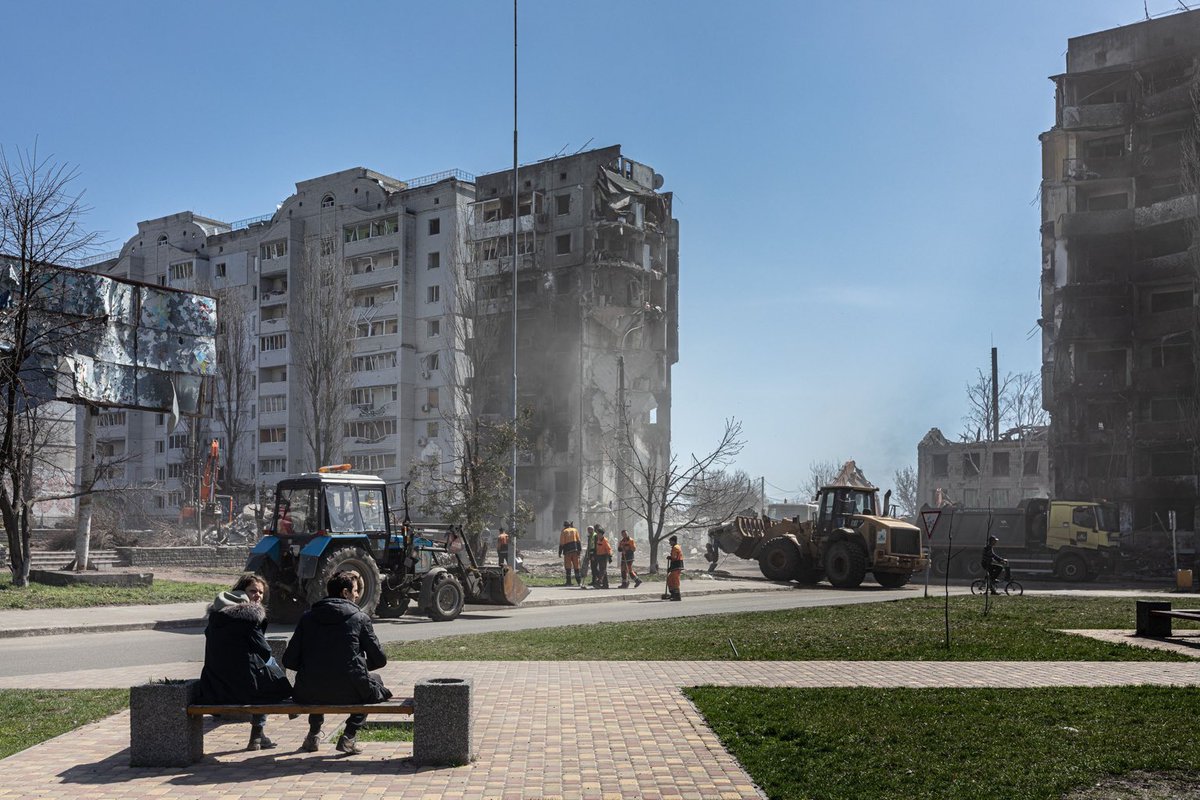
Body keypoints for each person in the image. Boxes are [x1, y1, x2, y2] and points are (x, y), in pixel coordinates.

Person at [283, 570, 392, 755]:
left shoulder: (307, 618)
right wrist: (355, 665)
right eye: (355, 591)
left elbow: (289, 660)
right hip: (350, 690)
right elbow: (379, 659)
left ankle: (313, 735)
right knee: (374, 681)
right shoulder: (359, 618)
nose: (357, 595)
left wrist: (314, 664)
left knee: (319, 678)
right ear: (345, 593)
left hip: (308, 691)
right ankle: (349, 736)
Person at [197, 574, 292, 751]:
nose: (257, 596)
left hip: (213, 687)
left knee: (261, 670)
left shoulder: (215, 617)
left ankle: (260, 734)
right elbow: (265, 651)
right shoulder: (248, 618)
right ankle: (259, 730)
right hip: (241, 689)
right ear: (241, 592)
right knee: (267, 670)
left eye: (261, 593)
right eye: (253, 591)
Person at [559, 521, 582, 586]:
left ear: (564, 526)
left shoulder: (564, 531)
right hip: (575, 551)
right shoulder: (575, 530)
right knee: (576, 567)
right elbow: (578, 541)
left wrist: (560, 552)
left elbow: (562, 543)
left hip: (567, 552)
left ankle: (568, 582)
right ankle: (579, 582)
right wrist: (579, 550)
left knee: (568, 567)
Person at [662, 534, 684, 601]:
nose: (669, 543)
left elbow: (674, 557)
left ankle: (677, 596)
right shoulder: (676, 547)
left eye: (670, 541)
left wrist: (670, 557)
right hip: (675, 566)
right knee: (669, 579)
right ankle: (672, 594)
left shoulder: (675, 548)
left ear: (673, 541)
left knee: (674, 581)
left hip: (677, 566)